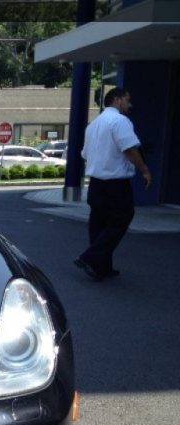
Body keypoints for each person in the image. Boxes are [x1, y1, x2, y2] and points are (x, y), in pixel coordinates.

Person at [74, 87, 151, 281]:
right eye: (127, 100)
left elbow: (84, 154)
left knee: (99, 224)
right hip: (116, 185)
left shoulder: (93, 125)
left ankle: (102, 268)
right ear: (117, 100)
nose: (129, 105)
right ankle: (90, 257)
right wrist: (145, 170)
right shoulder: (120, 121)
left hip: (95, 184)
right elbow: (130, 149)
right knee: (121, 219)